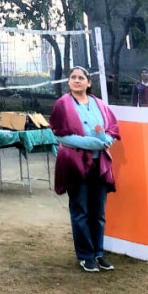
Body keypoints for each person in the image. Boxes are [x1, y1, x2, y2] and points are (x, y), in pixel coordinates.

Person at [50, 66, 121, 273]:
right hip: (76, 164)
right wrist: (93, 143)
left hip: (99, 165)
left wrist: (106, 141)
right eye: (73, 77)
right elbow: (60, 135)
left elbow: (112, 130)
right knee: (80, 210)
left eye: (81, 77)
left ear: (89, 82)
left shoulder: (99, 104)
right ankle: (85, 256)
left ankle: (98, 253)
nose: (77, 80)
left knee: (98, 212)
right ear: (69, 82)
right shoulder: (62, 104)